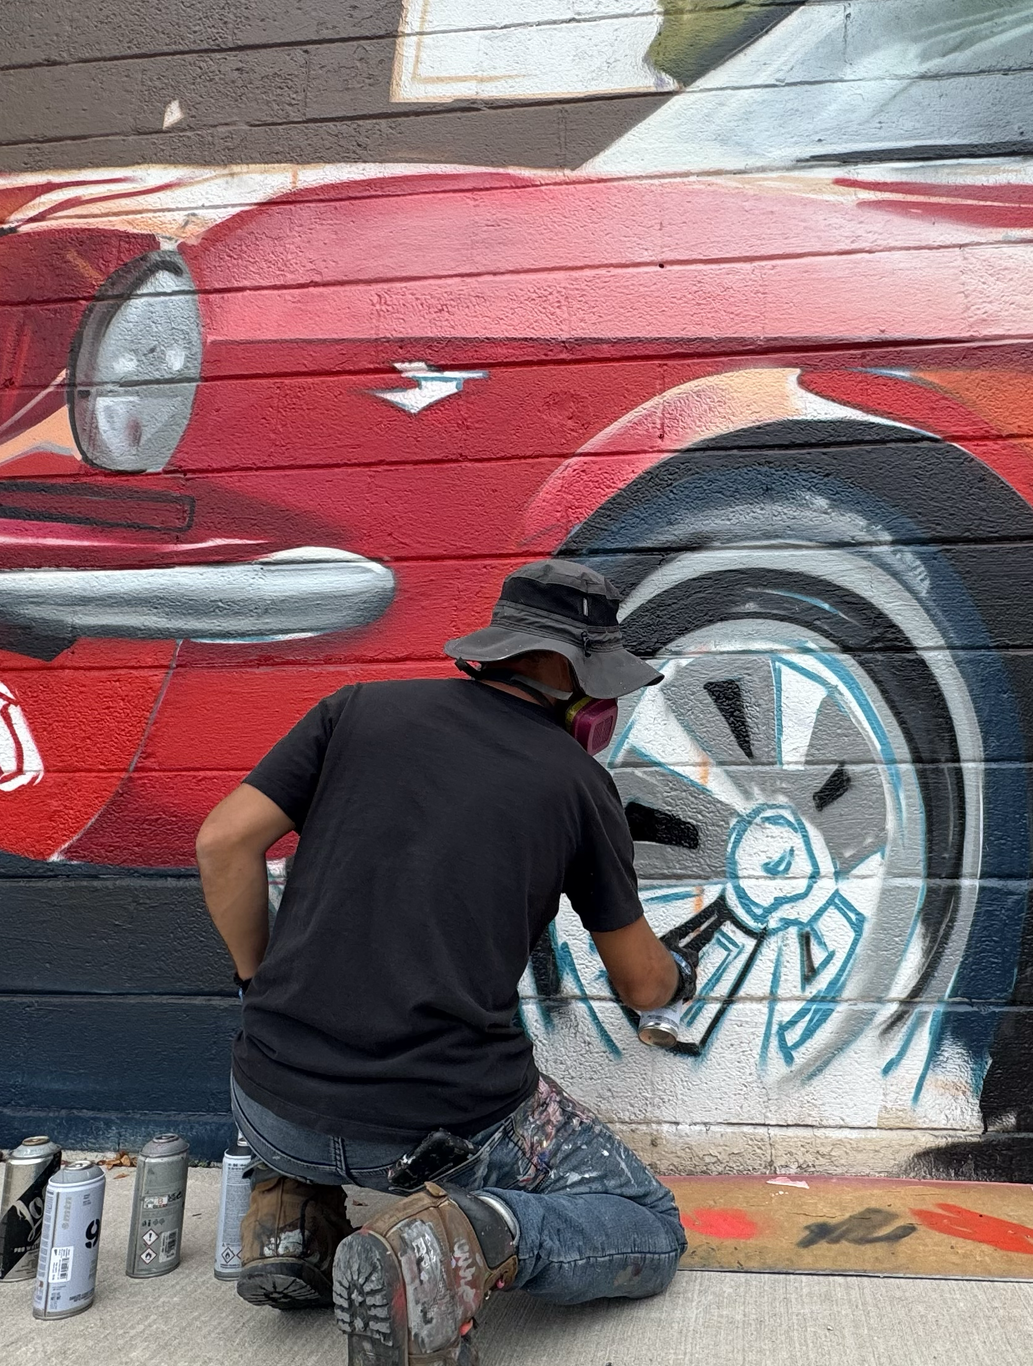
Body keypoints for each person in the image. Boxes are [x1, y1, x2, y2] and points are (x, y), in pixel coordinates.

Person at [196, 558, 695, 1366]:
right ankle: (462, 1240)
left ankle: (288, 1220)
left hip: (268, 1102)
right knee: (650, 1224)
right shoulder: (574, 780)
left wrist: (258, 985)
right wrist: (677, 978)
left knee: (322, 1063)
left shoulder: (355, 710)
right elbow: (642, 984)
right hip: (438, 1125)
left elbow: (222, 843)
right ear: (570, 674)